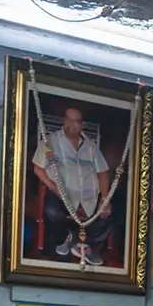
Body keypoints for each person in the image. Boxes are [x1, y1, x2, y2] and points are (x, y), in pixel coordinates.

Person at [32, 107, 114, 265]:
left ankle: (86, 246)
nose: (72, 125)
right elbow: (38, 168)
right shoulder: (50, 143)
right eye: (69, 120)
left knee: (111, 214)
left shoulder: (90, 146)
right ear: (63, 120)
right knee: (52, 213)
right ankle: (65, 238)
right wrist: (51, 185)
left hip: (90, 197)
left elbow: (102, 172)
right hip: (62, 194)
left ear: (82, 124)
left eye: (76, 121)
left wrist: (105, 198)